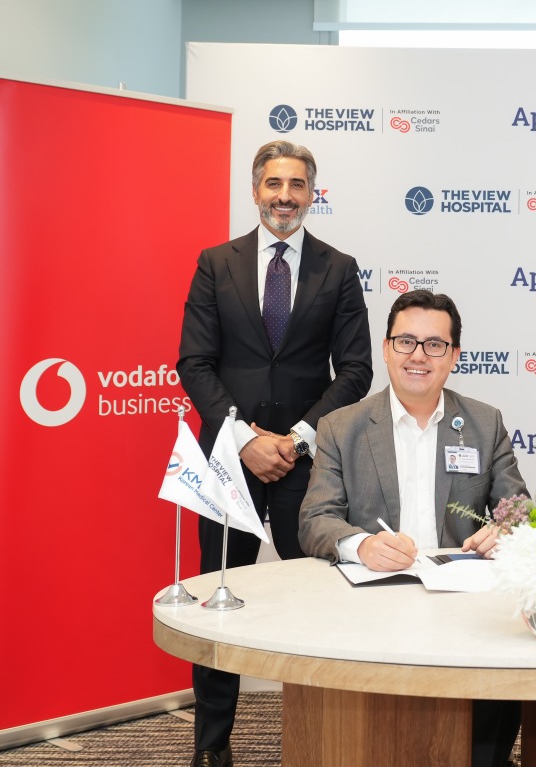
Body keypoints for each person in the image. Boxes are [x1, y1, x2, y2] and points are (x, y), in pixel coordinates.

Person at [177, 140, 373, 767]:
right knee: (219, 597)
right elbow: (194, 362)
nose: (284, 196)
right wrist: (244, 437)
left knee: (318, 594)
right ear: (254, 189)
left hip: (306, 461)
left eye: (296, 185)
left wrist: (295, 438)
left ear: (312, 193)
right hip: (229, 459)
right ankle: (212, 747)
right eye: (272, 184)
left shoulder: (338, 268)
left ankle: (329, 739)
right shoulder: (215, 263)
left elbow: (356, 370)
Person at [299, 289, 526, 767]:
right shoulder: (341, 427)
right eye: (406, 342)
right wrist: (360, 546)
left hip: (463, 600)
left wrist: (505, 529)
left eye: (434, 344)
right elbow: (316, 518)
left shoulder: (484, 423)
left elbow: (518, 505)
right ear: (385, 349)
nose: (418, 355)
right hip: (376, 600)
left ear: (454, 356)